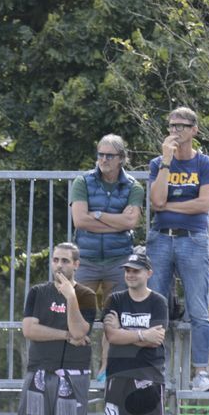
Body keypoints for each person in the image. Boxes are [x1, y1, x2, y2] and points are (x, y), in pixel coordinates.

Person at [7, 243, 97, 415]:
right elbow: (29, 329)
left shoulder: (87, 295)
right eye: (56, 260)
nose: (59, 265)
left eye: (65, 261)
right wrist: (65, 336)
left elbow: (80, 331)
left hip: (74, 374)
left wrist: (71, 298)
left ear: (76, 264)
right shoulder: (38, 292)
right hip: (39, 371)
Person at [147, 107, 209, 392]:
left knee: (198, 309)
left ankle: (201, 373)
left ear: (194, 130)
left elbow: (204, 204)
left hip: (193, 239)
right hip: (161, 238)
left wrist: (170, 207)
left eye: (181, 126)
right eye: (171, 125)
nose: (175, 130)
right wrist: (166, 162)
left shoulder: (205, 164)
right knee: (155, 306)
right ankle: (156, 370)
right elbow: (156, 202)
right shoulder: (157, 163)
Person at [97, 248, 167, 415]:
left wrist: (125, 333)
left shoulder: (158, 301)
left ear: (148, 273)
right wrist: (141, 335)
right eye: (127, 270)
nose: (130, 274)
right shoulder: (115, 299)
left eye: (136, 270)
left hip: (149, 375)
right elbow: (111, 336)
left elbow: (156, 339)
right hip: (118, 376)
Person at [70, 134, 143, 381]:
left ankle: (106, 370)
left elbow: (131, 222)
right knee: (78, 316)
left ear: (121, 158)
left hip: (119, 260)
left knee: (114, 317)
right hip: (87, 259)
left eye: (109, 156)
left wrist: (98, 215)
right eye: (100, 154)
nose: (103, 159)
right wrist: (116, 221)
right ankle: (75, 369)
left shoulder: (133, 186)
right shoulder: (82, 181)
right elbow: (80, 220)